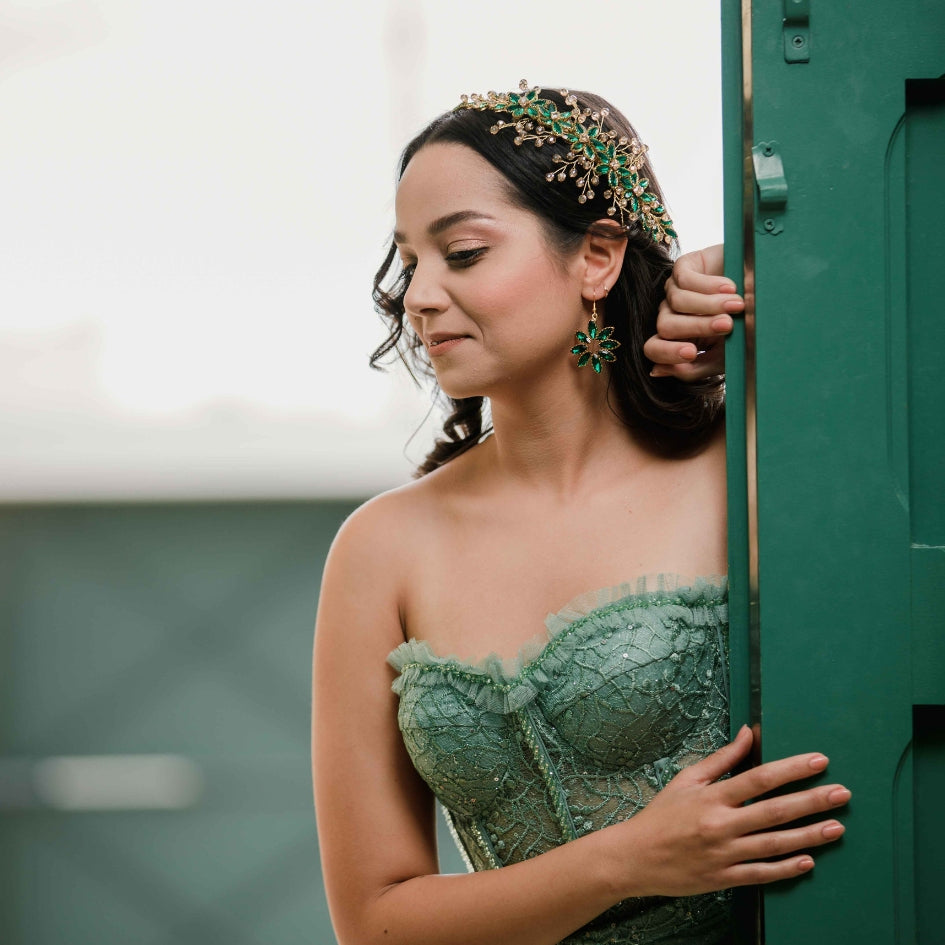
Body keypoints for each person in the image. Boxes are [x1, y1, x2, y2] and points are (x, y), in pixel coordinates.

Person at [312, 82, 849, 945]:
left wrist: (743, 287)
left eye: (463, 252)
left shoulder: (749, 464)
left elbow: (876, 312)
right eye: (409, 259)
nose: (418, 294)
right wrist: (626, 859)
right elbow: (375, 924)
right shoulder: (381, 547)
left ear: (596, 256)